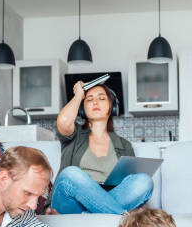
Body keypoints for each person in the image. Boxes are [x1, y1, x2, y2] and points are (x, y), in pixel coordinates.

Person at [48, 82, 153, 214]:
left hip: (109, 199)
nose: (95, 102)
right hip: (71, 204)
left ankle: (92, 215)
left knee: (144, 181)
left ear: (112, 107)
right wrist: (78, 95)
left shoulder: (124, 145)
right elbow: (63, 122)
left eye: (102, 98)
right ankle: (118, 216)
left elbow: (129, 186)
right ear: (82, 109)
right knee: (71, 174)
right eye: (89, 99)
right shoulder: (75, 135)